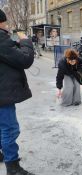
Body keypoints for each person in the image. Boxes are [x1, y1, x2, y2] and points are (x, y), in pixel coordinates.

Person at [0, 9, 35, 175]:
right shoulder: (0, 38)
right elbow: (25, 59)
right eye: (5, 22)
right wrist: (26, 41)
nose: (6, 25)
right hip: (2, 94)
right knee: (10, 129)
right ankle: (12, 167)